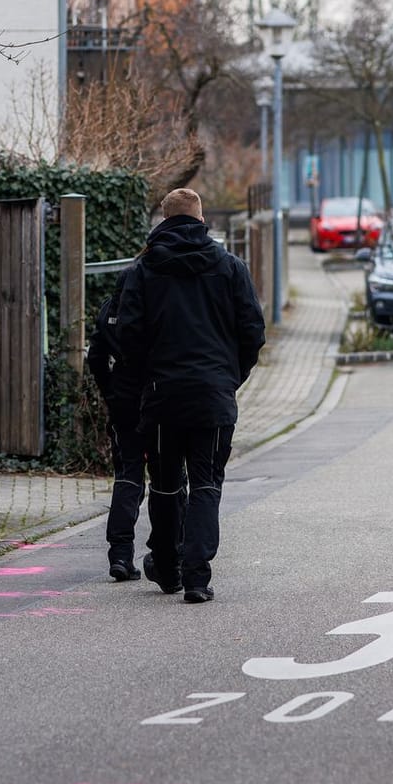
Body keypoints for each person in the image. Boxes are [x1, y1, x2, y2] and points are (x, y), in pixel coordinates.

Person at [113, 188, 266, 604]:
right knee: (205, 485)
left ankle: (167, 566)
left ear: (162, 221)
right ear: (202, 220)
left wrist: (148, 380)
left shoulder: (143, 271)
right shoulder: (230, 267)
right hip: (213, 396)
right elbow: (252, 332)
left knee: (164, 485)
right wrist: (230, 378)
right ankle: (197, 577)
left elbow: (127, 335)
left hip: (163, 396)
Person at [86, 282, 147, 582]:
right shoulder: (155, 301)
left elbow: (95, 356)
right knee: (172, 477)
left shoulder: (111, 306)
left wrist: (110, 392)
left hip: (122, 401)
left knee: (127, 476)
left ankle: (121, 554)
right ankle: (171, 551)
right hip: (156, 397)